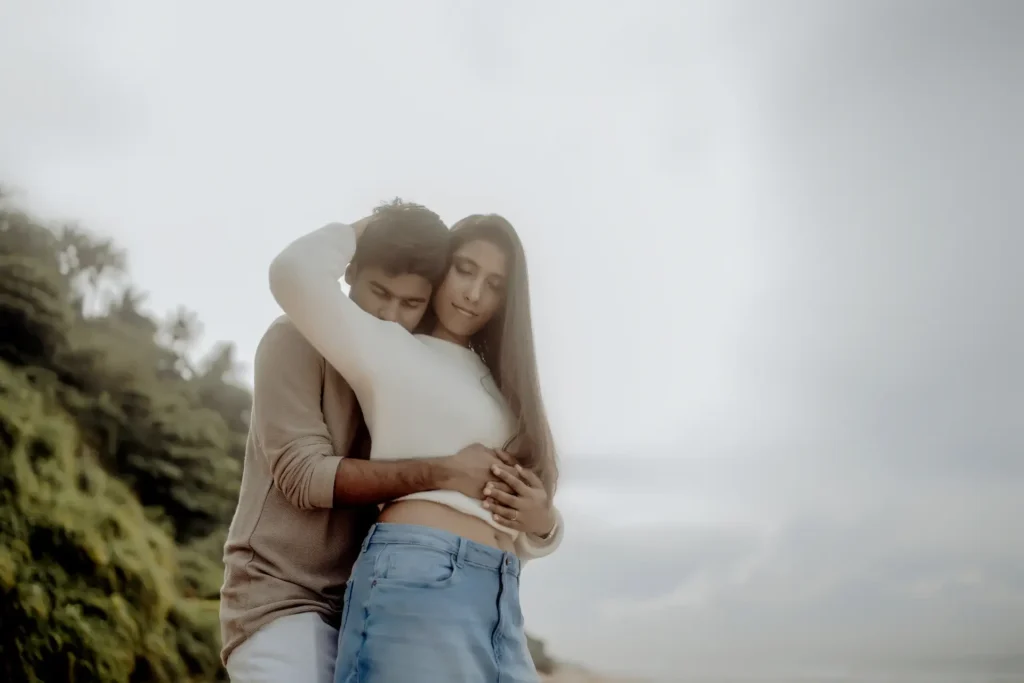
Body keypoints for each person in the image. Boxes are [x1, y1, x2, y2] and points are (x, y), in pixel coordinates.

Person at [220, 201, 555, 683]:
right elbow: (303, 475)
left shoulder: (478, 380)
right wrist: (382, 225)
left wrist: (543, 524)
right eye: (464, 270)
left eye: (411, 303)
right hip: (284, 594)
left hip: (424, 587)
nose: (390, 315)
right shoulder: (325, 341)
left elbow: (495, 502)